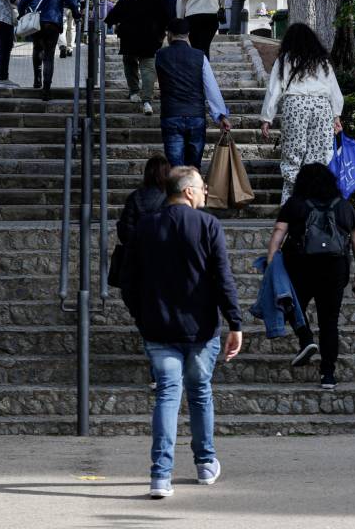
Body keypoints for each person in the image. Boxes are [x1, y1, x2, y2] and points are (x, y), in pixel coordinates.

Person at [121, 165, 243, 499]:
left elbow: (127, 281)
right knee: (200, 392)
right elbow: (222, 277)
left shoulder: (145, 227)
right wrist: (235, 322)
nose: (205, 191)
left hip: (158, 327)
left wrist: (142, 315)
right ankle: (205, 464)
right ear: (188, 191)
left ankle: (160, 476)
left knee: (166, 395)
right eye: (203, 187)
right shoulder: (207, 225)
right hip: (201, 328)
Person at [263, 163, 355, 389]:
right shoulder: (344, 206)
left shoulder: (295, 204)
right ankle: (328, 375)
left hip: (300, 267)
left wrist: (271, 263)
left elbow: (278, 232)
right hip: (334, 269)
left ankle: (305, 338)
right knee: (329, 322)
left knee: (291, 306)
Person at [259, 23, 344, 201]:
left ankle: (291, 204)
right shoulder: (322, 60)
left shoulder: (285, 59)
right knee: (319, 156)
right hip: (321, 107)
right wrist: (336, 115)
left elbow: (274, 90)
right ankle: (317, 202)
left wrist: (267, 118)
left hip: (295, 105)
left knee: (293, 155)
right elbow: (333, 89)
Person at [154, 18, 231, 167]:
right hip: (196, 116)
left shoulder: (160, 55)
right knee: (194, 167)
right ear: (188, 34)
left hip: (171, 114)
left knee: (176, 168)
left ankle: (179, 189)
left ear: (169, 34)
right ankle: (193, 189)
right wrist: (221, 115)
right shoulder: (199, 56)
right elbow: (211, 87)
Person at [105, 0, 169, 115]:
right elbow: (165, 18)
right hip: (149, 38)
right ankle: (147, 101)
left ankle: (134, 92)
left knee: (130, 63)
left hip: (129, 38)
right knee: (147, 68)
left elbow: (112, 16)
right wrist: (161, 33)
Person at [17, 0, 82, 101]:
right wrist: (77, 16)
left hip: (37, 23)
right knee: (49, 56)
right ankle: (46, 90)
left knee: (37, 49)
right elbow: (72, 3)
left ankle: (37, 80)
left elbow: (22, 3)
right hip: (53, 23)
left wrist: (22, 16)